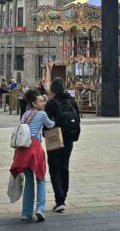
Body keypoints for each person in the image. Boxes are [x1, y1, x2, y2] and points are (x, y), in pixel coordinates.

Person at [10, 90, 54, 222]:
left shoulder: (25, 115)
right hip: (34, 149)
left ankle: (26, 212)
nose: (44, 103)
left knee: (29, 181)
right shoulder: (42, 114)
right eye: (41, 101)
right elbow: (51, 125)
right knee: (40, 179)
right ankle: (40, 209)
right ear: (34, 103)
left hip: (23, 151)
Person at [44, 78, 81, 213]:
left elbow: (46, 123)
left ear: (53, 90)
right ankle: (64, 196)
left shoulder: (51, 103)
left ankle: (59, 200)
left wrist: (45, 135)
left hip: (55, 139)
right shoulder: (72, 101)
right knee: (65, 167)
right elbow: (78, 119)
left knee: (54, 169)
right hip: (69, 139)